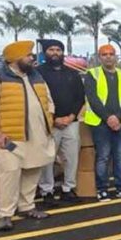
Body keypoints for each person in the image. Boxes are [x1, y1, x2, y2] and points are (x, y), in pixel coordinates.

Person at [0, 41, 54, 231]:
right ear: (15, 58)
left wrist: (49, 121)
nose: (32, 57)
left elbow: (48, 101)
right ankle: (5, 214)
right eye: (28, 55)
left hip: (37, 135)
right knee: (9, 175)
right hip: (10, 137)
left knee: (33, 170)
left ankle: (27, 206)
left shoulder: (36, 76)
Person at [37, 39, 85, 206]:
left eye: (58, 50)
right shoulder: (37, 74)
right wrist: (54, 119)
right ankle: (47, 190)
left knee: (71, 157)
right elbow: (38, 99)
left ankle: (68, 189)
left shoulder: (72, 73)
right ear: (45, 52)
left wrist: (71, 117)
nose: (55, 53)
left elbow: (80, 98)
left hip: (71, 122)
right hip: (49, 123)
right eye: (51, 49)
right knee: (48, 158)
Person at [84, 44, 121, 201]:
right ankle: (102, 189)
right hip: (100, 124)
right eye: (104, 54)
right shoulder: (92, 74)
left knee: (120, 157)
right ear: (99, 57)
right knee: (103, 157)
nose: (108, 57)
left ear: (116, 56)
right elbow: (93, 99)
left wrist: (118, 118)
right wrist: (108, 118)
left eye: (111, 54)